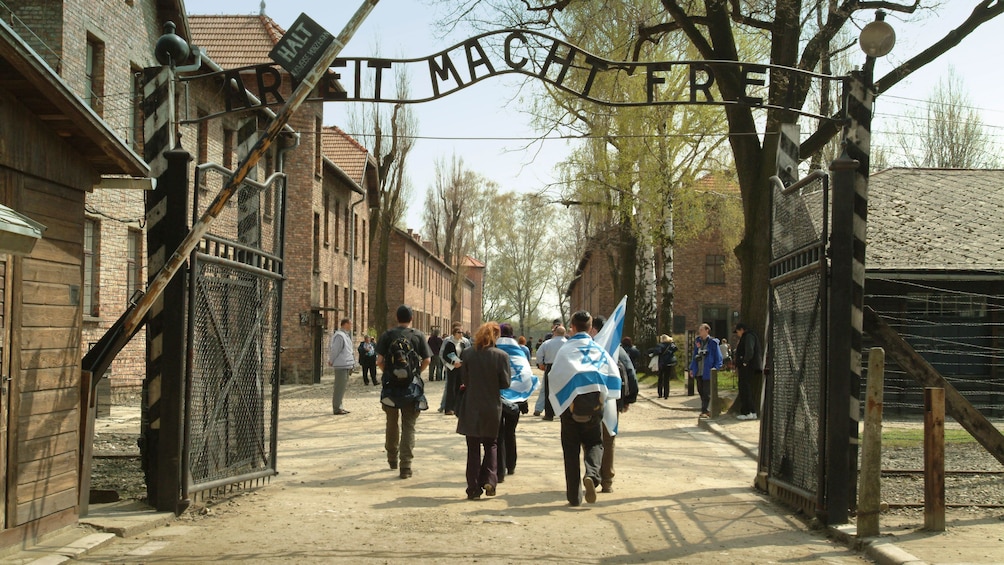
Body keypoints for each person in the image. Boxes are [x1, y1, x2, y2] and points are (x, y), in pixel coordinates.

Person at [547, 310, 621, 506]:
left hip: (570, 408)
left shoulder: (565, 350)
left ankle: (574, 496)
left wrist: (560, 403)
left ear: (572, 327)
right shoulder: (598, 350)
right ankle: (592, 474)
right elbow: (613, 374)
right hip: (594, 408)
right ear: (590, 328)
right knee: (595, 444)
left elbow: (554, 378)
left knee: (570, 450)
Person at [456, 322, 511, 499]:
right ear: (496, 336)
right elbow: (506, 383)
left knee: (473, 448)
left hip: (471, 404)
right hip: (492, 405)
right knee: (491, 444)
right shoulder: (501, 356)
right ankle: (489, 480)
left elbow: (464, 378)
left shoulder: (468, 354)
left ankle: (473, 487)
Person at [375, 305, 432, 478]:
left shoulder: (387, 335)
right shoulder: (417, 336)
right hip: (411, 389)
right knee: (409, 426)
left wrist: (388, 373)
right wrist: (415, 374)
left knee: (391, 423)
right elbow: (428, 359)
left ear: (396, 318)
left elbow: (379, 360)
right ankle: (405, 465)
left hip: (391, 388)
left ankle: (392, 457)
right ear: (411, 318)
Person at [591, 315, 631, 494]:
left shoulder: (589, 348)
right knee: (609, 440)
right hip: (612, 401)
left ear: (595, 329)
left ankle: (592, 475)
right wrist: (628, 399)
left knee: (592, 440)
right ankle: (607, 480)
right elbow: (630, 372)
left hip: (590, 400)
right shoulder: (619, 350)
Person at [496, 323, 538, 482]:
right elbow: (525, 372)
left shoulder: (493, 349)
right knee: (510, 432)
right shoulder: (522, 350)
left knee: (498, 433)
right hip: (517, 398)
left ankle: (499, 470)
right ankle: (511, 465)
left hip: (498, 396)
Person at [689, 323, 723, 418]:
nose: (699, 332)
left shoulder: (712, 343)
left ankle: (705, 410)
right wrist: (692, 368)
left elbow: (718, 357)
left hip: (708, 371)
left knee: (706, 392)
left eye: (701, 330)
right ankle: (705, 409)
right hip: (699, 370)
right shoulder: (698, 342)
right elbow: (694, 355)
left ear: (707, 330)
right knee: (700, 390)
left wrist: (716, 367)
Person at [533, 325, 567, 419]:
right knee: (563, 389)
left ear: (555, 333)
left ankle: (549, 414)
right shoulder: (568, 343)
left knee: (548, 390)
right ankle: (562, 413)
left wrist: (540, 364)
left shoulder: (547, 343)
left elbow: (539, 354)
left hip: (551, 366)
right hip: (563, 367)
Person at [733, 323, 763, 420]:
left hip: (747, 367)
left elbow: (749, 350)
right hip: (750, 366)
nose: (737, 334)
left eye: (737, 332)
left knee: (745, 389)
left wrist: (744, 362)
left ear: (741, 329)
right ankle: (751, 411)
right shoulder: (750, 336)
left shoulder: (748, 336)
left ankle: (748, 411)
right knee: (746, 388)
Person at [327, 318, 354, 415]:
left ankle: (339, 406)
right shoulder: (339, 336)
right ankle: (337, 407)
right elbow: (335, 350)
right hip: (341, 365)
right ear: (345, 324)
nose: (351, 326)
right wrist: (331, 360)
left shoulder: (345, 335)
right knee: (339, 387)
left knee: (342, 387)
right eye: (350, 324)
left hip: (345, 364)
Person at [439, 325, 468, 415]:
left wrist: (462, 363)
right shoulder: (449, 343)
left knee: (459, 387)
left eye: (462, 333)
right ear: (454, 333)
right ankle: (448, 408)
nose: (460, 334)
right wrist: (452, 363)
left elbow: (465, 354)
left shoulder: (463, 344)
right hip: (452, 368)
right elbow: (444, 355)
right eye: (459, 332)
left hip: (460, 367)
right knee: (450, 388)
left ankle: (456, 407)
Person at [647, 335, 678, 399]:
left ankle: (660, 394)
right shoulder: (671, 345)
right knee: (667, 379)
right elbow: (675, 349)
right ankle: (666, 394)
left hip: (662, 363)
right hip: (669, 363)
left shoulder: (660, 345)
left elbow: (657, 351)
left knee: (660, 378)